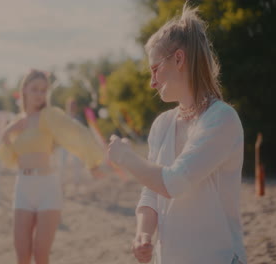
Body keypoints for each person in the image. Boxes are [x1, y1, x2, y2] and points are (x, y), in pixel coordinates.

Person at [107, 3, 246, 264]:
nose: (152, 82)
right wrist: (143, 234)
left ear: (179, 59)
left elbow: (173, 182)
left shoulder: (222, 119)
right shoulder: (162, 124)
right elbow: (151, 193)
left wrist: (126, 157)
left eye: (155, 69)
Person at [0, 69, 106, 264]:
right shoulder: (17, 123)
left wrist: (92, 161)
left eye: (43, 90)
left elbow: (77, 132)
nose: (39, 94)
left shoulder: (49, 116)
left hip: (47, 187)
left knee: (41, 255)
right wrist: (7, 132)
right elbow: (10, 159)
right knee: (22, 255)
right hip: (23, 186)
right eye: (35, 89)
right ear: (24, 90)